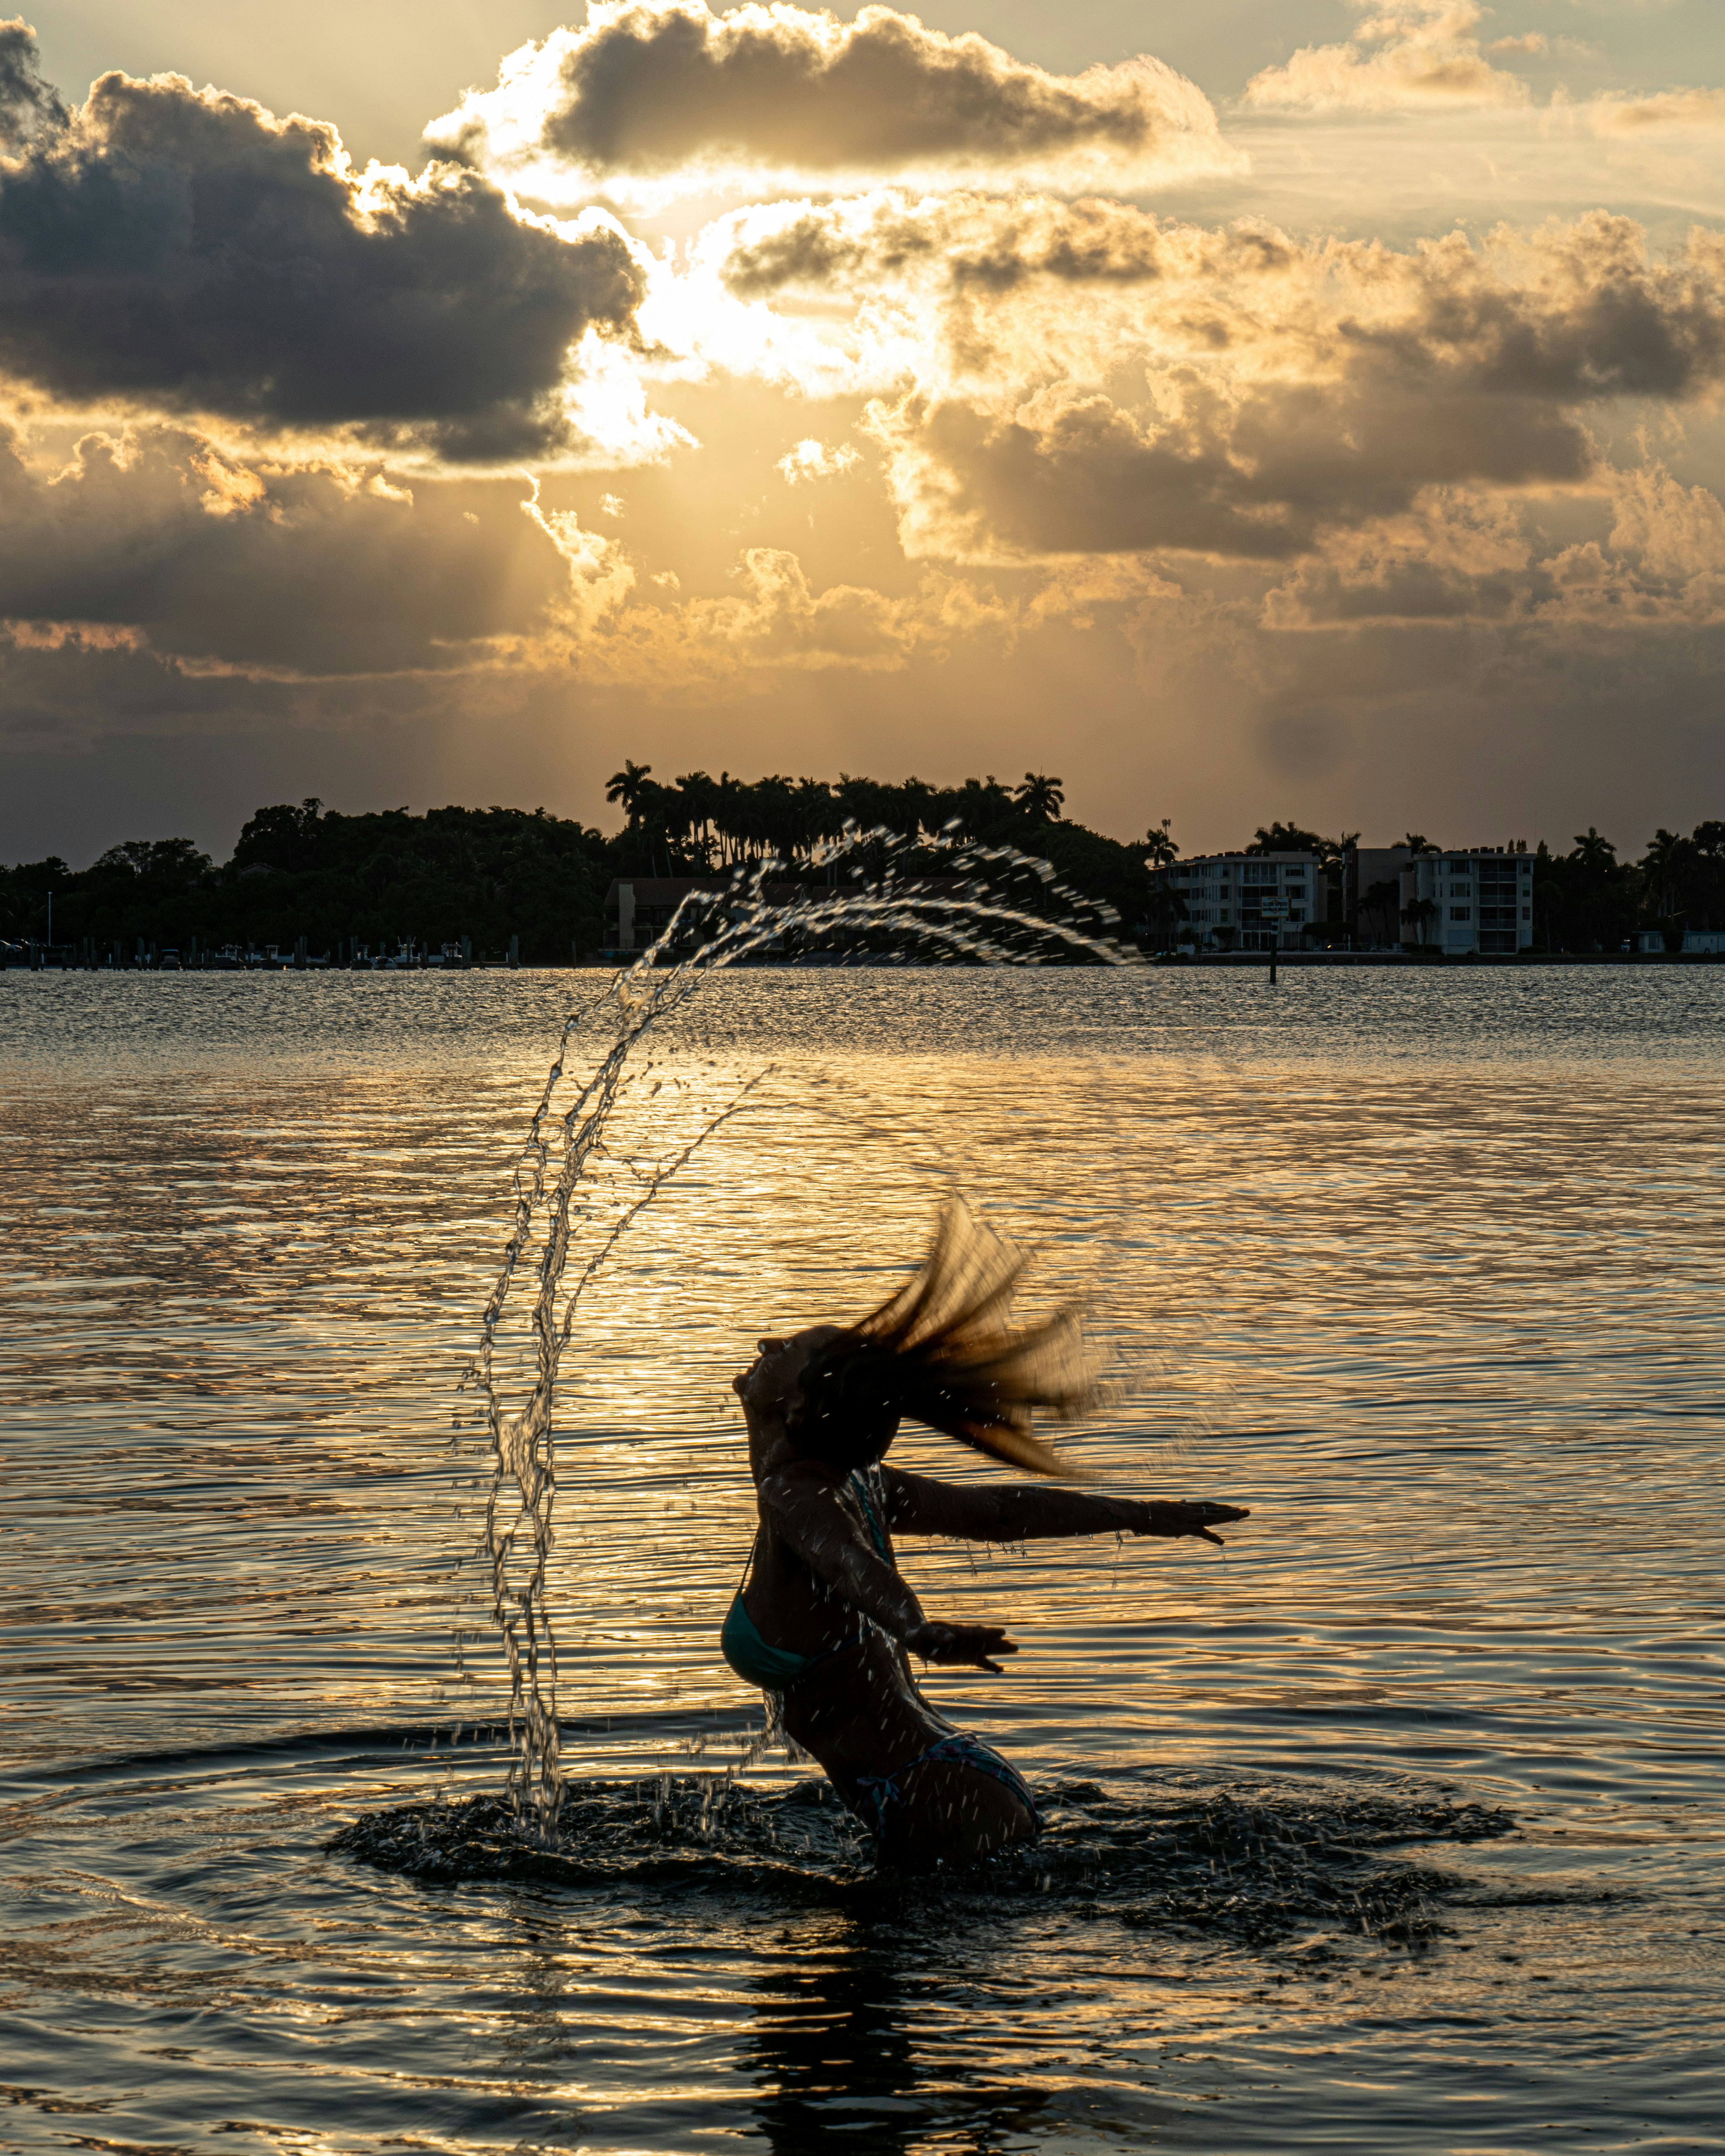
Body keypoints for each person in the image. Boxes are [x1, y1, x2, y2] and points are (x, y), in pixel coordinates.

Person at [724, 1201, 1249, 1869]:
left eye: (786, 1349)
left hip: (923, 1793)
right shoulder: (863, 1485)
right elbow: (994, 1515)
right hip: (956, 1778)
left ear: (796, 1407)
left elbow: (851, 1567)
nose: (767, 1344)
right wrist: (1135, 1515)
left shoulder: (796, 1495)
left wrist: (913, 1628)